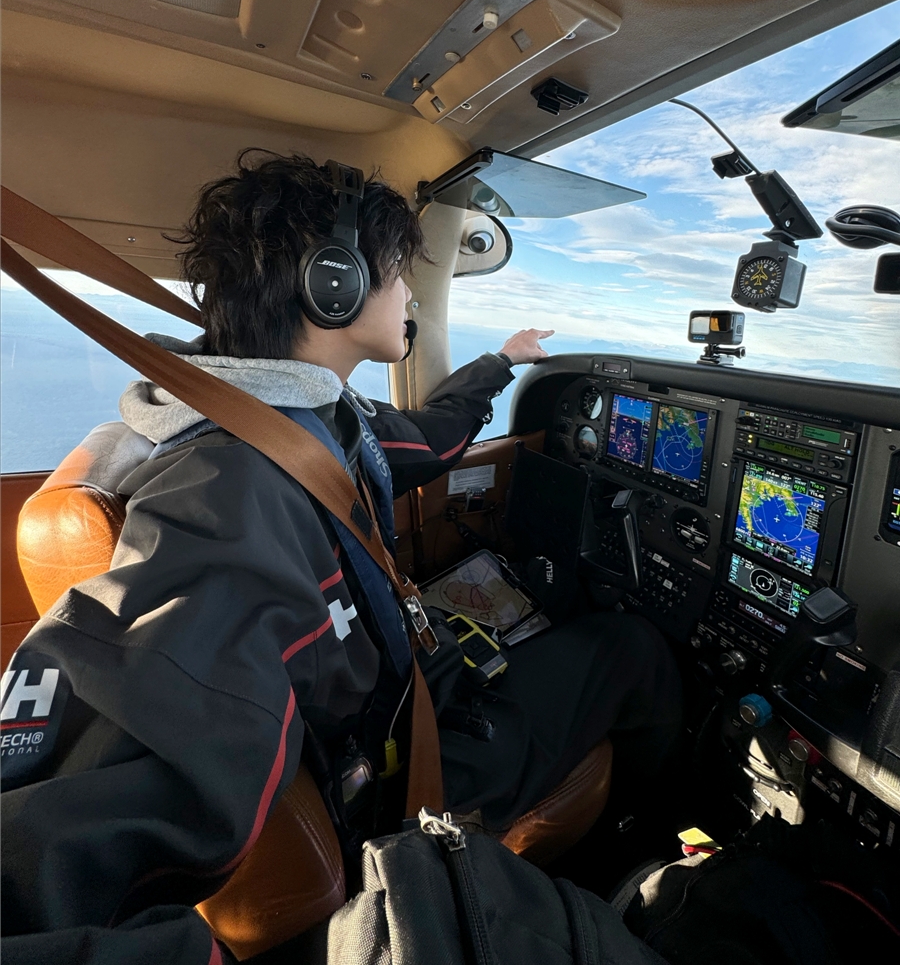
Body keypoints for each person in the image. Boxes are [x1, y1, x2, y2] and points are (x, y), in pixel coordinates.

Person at [1, 153, 680, 963]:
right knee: (631, 648)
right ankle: (645, 861)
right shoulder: (226, 494)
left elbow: (424, 441)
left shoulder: (301, 421)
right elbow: (42, 849)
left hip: (401, 702)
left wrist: (499, 362)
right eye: (401, 275)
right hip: (399, 784)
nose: (411, 298)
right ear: (336, 284)